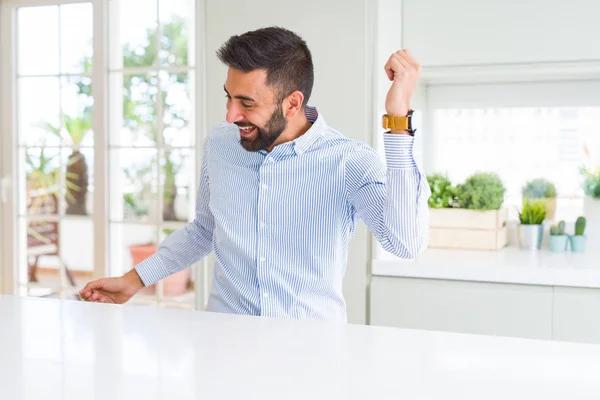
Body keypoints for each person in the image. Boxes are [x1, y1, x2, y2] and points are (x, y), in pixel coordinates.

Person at [80, 26, 430, 322]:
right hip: (222, 340)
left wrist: (398, 121)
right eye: (229, 97)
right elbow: (205, 229)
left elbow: (404, 242)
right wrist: (134, 279)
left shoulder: (348, 161)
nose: (231, 115)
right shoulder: (220, 143)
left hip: (310, 351)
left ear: (292, 103)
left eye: (246, 103)